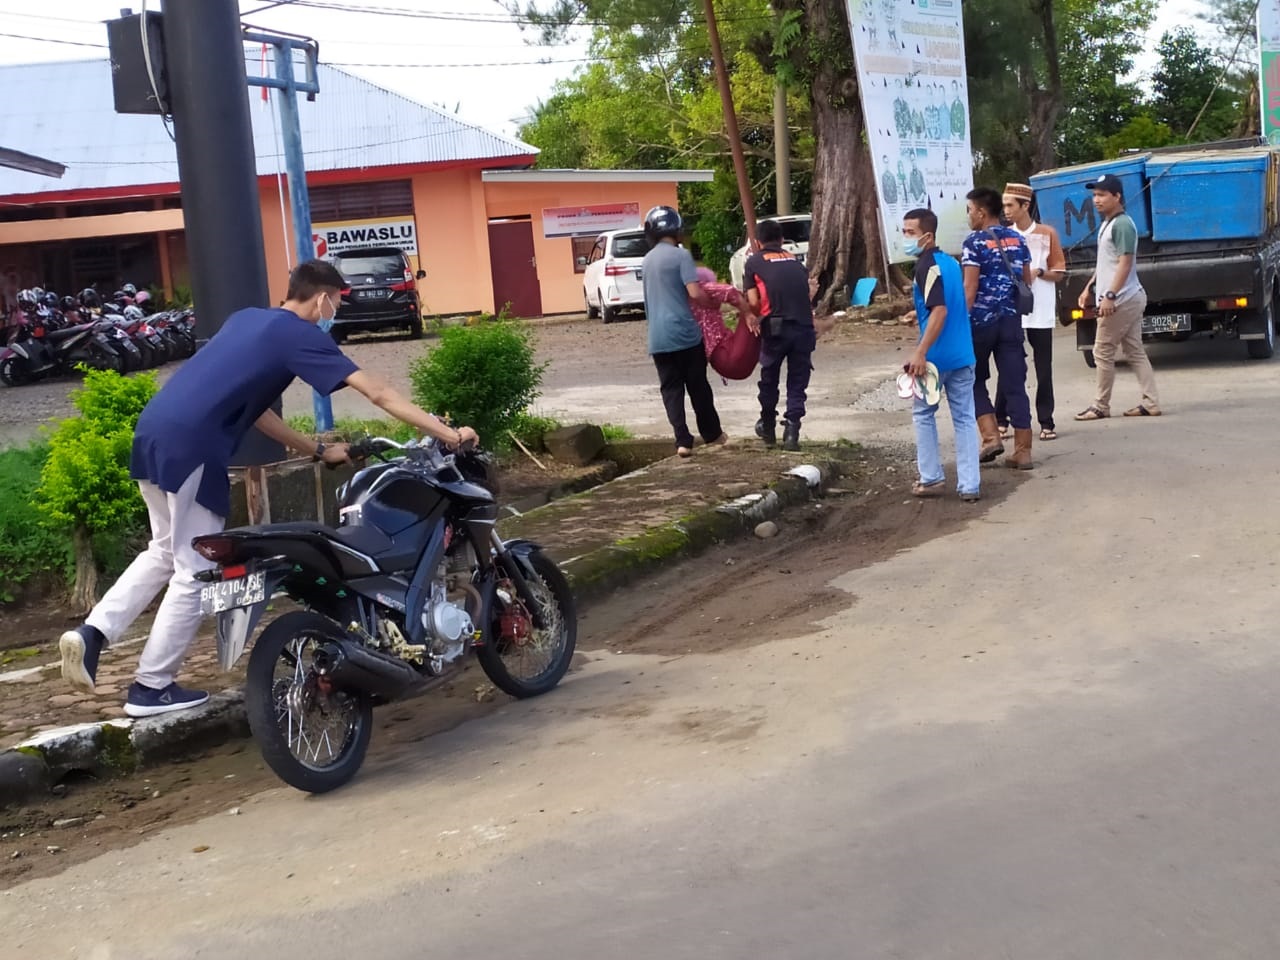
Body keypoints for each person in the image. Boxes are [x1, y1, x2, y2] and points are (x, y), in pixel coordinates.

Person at [58, 259, 479, 717]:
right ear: (322, 298)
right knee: (194, 568)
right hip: (194, 446)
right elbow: (377, 392)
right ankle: (151, 687)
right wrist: (447, 434)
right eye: (335, 302)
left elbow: (258, 411)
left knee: (162, 550)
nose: (334, 311)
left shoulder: (248, 321)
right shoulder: (299, 335)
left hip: (154, 431)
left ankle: (92, 635)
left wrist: (317, 450)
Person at [902, 208, 981, 502]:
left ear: (927, 236)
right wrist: (918, 312)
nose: (905, 238)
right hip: (963, 353)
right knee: (963, 418)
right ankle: (970, 485)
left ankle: (931, 477)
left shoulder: (925, 267)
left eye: (910, 232)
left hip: (935, 359)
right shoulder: (950, 262)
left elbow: (940, 309)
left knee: (923, 414)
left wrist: (920, 352)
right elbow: (946, 302)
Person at [640, 205, 727, 457]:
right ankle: (712, 434)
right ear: (677, 230)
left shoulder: (646, 261)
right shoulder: (681, 256)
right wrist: (712, 304)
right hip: (685, 334)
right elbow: (695, 293)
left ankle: (682, 441)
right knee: (698, 385)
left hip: (657, 338)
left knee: (671, 390)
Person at [1074, 173, 1161, 421]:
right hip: (1127, 296)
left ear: (1117, 196)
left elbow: (1125, 264)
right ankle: (1151, 402)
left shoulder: (1122, 224)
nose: (1096, 200)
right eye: (1094, 195)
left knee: (1102, 351)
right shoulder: (1107, 224)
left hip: (1122, 298)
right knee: (1134, 351)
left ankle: (1100, 406)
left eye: (1102, 195)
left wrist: (1110, 296)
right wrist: (1089, 288)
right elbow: (1107, 264)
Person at [961, 186, 1035, 470]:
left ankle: (991, 438)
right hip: (1011, 321)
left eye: (969, 211)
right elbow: (1026, 279)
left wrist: (961, 322)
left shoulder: (974, 242)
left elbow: (970, 287)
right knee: (1015, 383)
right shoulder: (1017, 238)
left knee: (973, 378)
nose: (969, 216)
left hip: (980, 322)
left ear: (981, 212)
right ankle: (1023, 451)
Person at [996, 182, 1066, 442]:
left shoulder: (1047, 233)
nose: (1006, 210)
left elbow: (1060, 270)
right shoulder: (1003, 235)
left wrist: (1039, 273)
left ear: (1026, 205)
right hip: (1011, 309)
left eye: (1010, 205)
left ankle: (1046, 421)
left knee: (1043, 367)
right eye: (1003, 205)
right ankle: (1001, 419)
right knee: (1009, 365)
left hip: (1041, 309)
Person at [743, 218, 816, 451]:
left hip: (775, 329)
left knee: (769, 379)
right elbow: (806, 294)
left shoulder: (754, 262)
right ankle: (792, 432)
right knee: (797, 381)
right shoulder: (795, 261)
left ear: (757, 241)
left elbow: (753, 302)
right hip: (804, 328)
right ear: (782, 239)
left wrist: (752, 316)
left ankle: (768, 426)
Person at [690, 265, 757, 379]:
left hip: (719, 358)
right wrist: (746, 311)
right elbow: (729, 291)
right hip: (725, 353)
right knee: (755, 307)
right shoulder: (703, 287)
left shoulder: (686, 301)